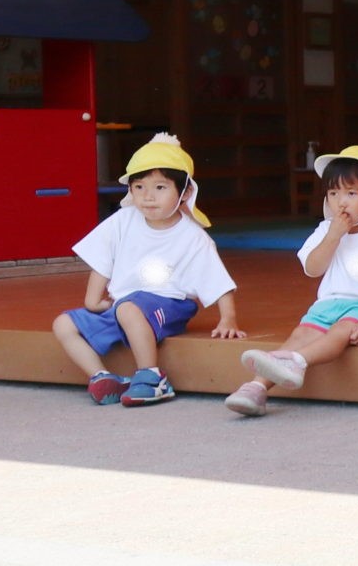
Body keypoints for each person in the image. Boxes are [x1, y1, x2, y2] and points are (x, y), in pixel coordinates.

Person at [53, 132, 241, 405]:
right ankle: (102, 377)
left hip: (169, 304)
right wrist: (92, 301)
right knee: (64, 323)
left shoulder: (192, 237)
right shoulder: (123, 220)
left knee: (128, 308)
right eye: (139, 187)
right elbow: (102, 259)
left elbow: (217, 279)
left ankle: (152, 377)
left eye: (160, 188)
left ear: (185, 192)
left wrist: (228, 319)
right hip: (123, 307)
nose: (148, 197)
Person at [227, 146, 358, 416]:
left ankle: (297, 360)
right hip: (328, 303)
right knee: (300, 334)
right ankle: (257, 387)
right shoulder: (325, 229)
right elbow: (313, 268)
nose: (341, 202)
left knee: (340, 332)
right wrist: (333, 236)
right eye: (333, 193)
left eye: (352, 193)